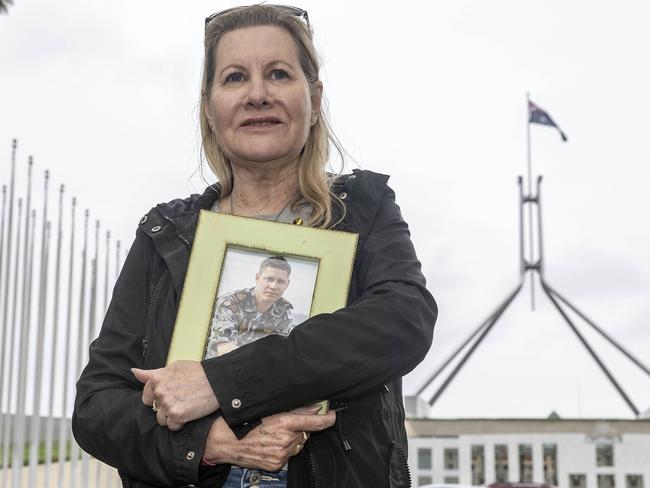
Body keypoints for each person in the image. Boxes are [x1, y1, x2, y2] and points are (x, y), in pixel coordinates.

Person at [73, 5, 437, 488]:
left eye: (279, 74)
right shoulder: (166, 233)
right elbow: (98, 405)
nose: (258, 94)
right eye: (235, 77)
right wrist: (208, 443)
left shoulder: (364, 211)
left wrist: (221, 385)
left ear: (314, 98)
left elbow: (403, 320)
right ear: (209, 105)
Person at [206, 256, 294, 358]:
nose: (273, 286)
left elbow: (275, 354)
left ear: (287, 284)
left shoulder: (284, 314)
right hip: (216, 367)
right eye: (269, 279)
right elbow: (225, 349)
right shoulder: (230, 303)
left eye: (280, 282)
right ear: (257, 278)